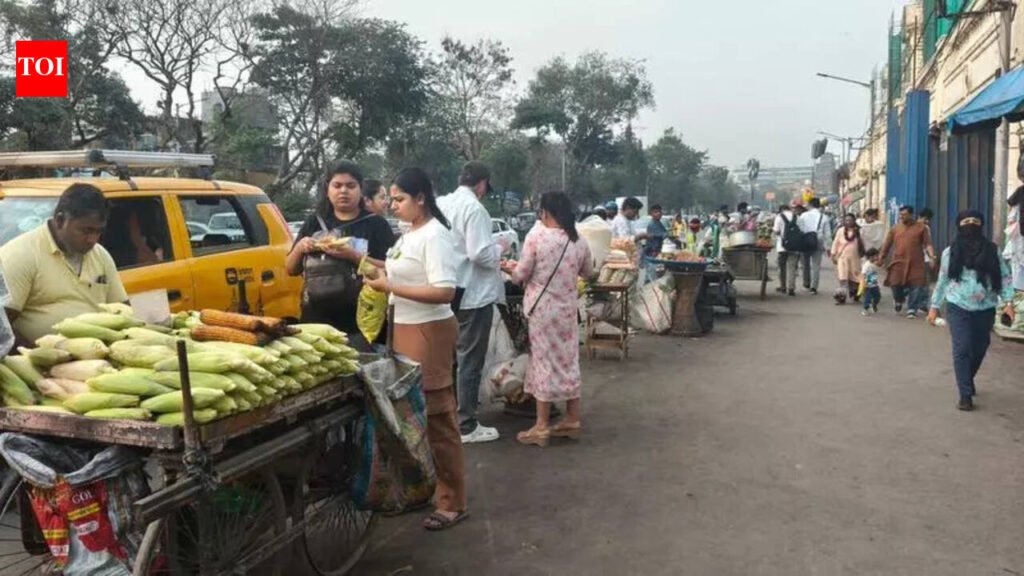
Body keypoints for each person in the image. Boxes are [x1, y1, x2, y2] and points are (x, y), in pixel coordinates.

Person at [363, 167, 467, 530]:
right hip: (405, 328)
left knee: (438, 419)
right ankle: (423, 489)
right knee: (411, 419)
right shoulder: (411, 234)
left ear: (420, 198)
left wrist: (389, 287)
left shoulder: (435, 236)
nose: (392, 205)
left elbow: (444, 291)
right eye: (390, 198)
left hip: (429, 330)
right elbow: (399, 270)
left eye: (399, 199)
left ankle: (452, 501)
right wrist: (360, 261)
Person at [501, 191, 593, 447]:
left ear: (545, 212)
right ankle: (572, 418)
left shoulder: (536, 236)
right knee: (568, 360)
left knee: (543, 363)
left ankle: (541, 427)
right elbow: (588, 272)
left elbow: (520, 275)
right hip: (566, 312)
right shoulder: (578, 240)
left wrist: (510, 269)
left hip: (542, 312)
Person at [0, 183, 128, 346]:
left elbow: (123, 310)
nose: (92, 240)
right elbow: (2, 328)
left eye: (98, 231)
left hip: (99, 360)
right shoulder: (19, 254)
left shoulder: (100, 255)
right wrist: (41, 359)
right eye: (86, 231)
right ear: (60, 220)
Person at [286, 160, 395, 350]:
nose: (343, 191)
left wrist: (353, 255)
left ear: (360, 190)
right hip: (317, 321)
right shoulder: (313, 222)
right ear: (327, 189)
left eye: (350, 186)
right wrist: (300, 247)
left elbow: (389, 268)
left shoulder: (376, 225)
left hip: (361, 324)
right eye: (337, 185)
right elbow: (290, 269)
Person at [437, 161, 505, 444]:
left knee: (451, 358)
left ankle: (448, 415)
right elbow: (479, 254)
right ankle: (466, 424)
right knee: (470, 359)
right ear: (482, 183)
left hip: (449, 288)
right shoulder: (475, 209)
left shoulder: (442, 202)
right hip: (474, 293)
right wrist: (499, 250)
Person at [928, 210, 1014, 411]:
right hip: (958, 306)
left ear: (981, 225)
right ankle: (965, 395)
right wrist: (934, 307)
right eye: (966, 221)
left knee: (980, 348)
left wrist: (1008, 302)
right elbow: (942, 281)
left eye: (975, 221)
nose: (971, 224)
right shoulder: (950, 252)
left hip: (986, 308)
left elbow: (1004, 277)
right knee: (962, 348)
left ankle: (967, 377)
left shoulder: (992, 250)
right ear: (959, 226)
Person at [880, 205, 935, 318]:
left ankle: (912, 309)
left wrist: (932, 257)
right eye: (900, 215)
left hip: (916, 262)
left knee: (916, 285)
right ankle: (899, 300)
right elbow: (887, 244)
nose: (902, 217)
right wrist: (881, 257)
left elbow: (928, 244)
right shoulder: (895, 228)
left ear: (911, 215)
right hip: (898, 261)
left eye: (904, 215)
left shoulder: (921, 228)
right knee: (895, 283)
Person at [797, 197, 832, 295]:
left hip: (805, 241)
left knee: (805, 264)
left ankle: (806, 283)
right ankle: (814, 287)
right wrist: (829, 247)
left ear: (810, 205)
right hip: (818, 241)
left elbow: (799, 228)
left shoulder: (804, 215)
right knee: (816, 265)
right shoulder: (824, 217)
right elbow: (828, 234)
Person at [830, 213, 864, 304]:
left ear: (854, 221)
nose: (848, 222)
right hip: (842, 258)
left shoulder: (859, 231)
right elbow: (835, 243)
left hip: (855, 259)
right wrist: (833, 255)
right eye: (846, 220)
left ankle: (855, 294)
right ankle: (841, 297)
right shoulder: (841, 231)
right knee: (843, 277)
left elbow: (864, 243)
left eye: (850, 220)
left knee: (855, 278)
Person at [773, 204, 795, 294]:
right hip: (794, 246)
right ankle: (791, 288)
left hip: (782, 246)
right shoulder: (796, 216)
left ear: (781, 209)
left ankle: (783, 286)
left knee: (782, 267)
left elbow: (776, 231)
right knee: (792, 267)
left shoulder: (779, 217)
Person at [859, 248, 883, 315]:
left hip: (874, 284)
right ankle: (865, 309)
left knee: (877, 296)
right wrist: (863, 283)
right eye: (876, 256)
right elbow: (863, 274)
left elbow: (878, 270)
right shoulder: (866, 265)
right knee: (867, 298)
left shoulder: (875, 264)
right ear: (871, 257)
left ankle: (873, 305)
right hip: (867, 285)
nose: (877, 257)